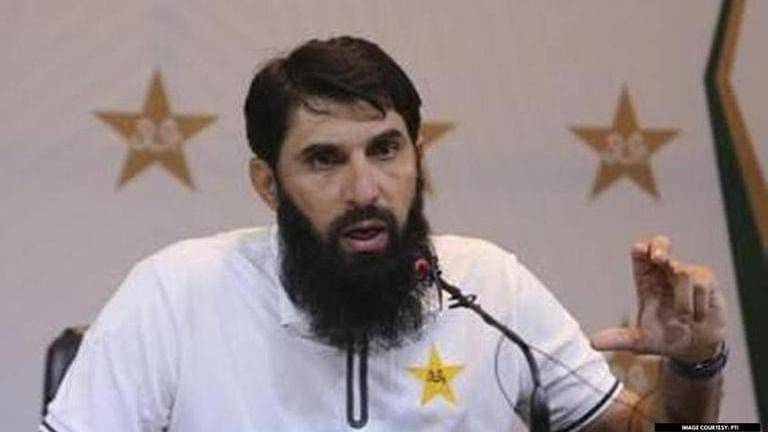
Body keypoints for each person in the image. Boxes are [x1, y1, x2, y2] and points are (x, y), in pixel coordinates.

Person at [41, 36, 727, 431]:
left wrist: (696, 364)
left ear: (418, 158)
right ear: (267, 184)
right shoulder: (178, 292)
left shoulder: (488, 288)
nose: (365, 190)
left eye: (386, 150)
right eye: (324, 160)